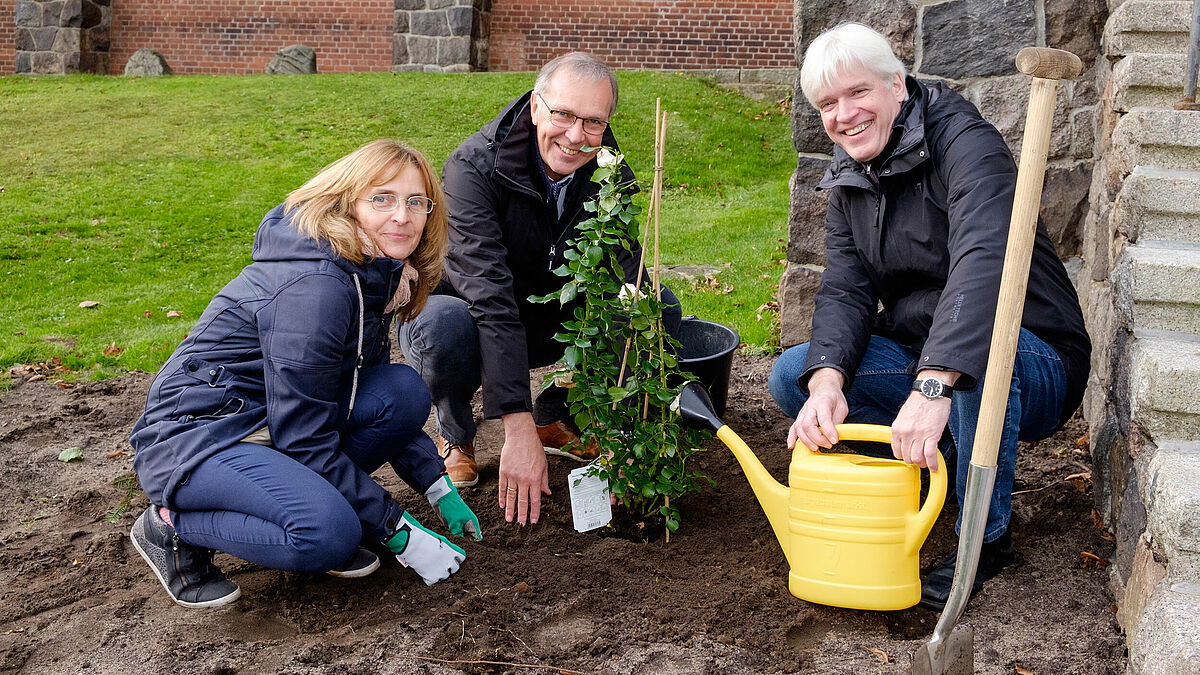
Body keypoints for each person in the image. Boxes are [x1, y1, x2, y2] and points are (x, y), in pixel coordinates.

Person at [768, 23, 1091, 610]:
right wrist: (826, 381)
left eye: (857, 93)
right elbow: (845, 290)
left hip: (1031, 353)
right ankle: (925, 475)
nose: (844, 115)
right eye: (827, 104)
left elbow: (984, 264)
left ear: (897, 84)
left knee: (979, 362)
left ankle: (984, 539)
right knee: (794, 376)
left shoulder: (965, 144)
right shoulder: (850, 174)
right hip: (926, 350)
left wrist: (935, 380)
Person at [128, 139, 481, 609]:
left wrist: (437, 486)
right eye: (383, 198)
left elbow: (362, 390)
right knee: (327, 534)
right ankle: (170, 524)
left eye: (416, 201)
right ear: (346, 204)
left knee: (401, 392)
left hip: (270, 422)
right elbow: (304, 436)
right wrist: (398, 530)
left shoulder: (370, 274)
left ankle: (322, 504)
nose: (403, 216)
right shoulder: (317, 287)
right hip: (200, 437)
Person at [398, 52, 681, 527]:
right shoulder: (472, 168)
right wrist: (515, 423)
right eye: (564, 114)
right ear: (535, 107)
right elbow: (488, 295)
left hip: (550, 313)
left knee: (653, 307)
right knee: (442, 325)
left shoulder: (610, 172)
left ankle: (559, 414)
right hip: (469, 312)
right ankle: (457, 432)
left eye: (594, 122)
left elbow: (626, 275)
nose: (576, 136)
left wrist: (625, 431)